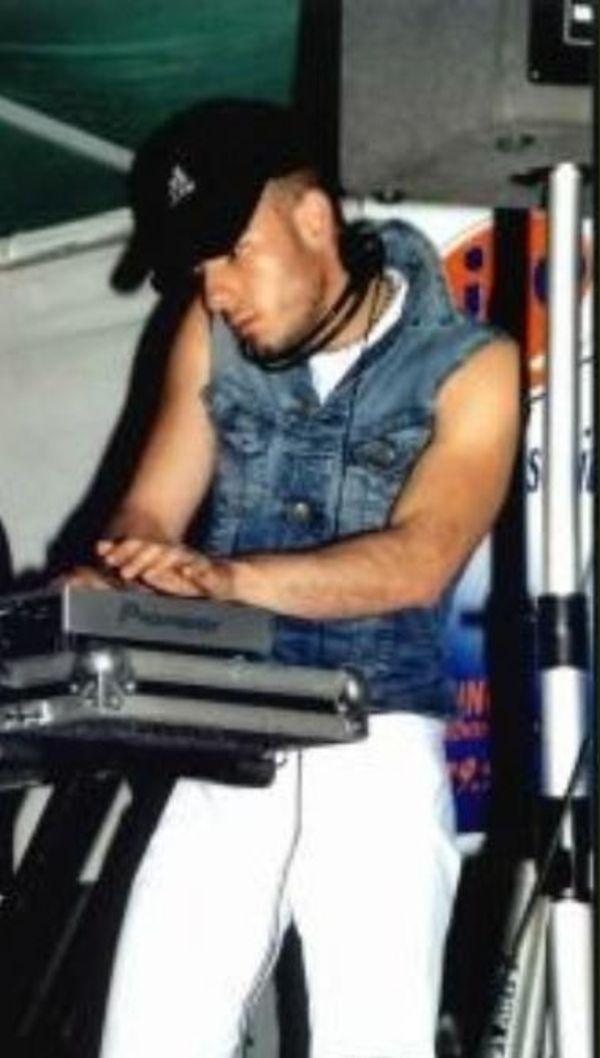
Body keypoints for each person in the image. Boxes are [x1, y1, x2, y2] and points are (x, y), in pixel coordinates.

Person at [71, 99, 519, 1058]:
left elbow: (421, 561)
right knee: (146, 1039)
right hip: (224, 742)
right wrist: (127, 568)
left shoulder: (471, 366)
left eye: (232, 255)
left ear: (314, 220)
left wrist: (227, 580)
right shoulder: (211, 334)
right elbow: (147, 512)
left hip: (377, 749)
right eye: (199, 268)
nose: (216, 290)